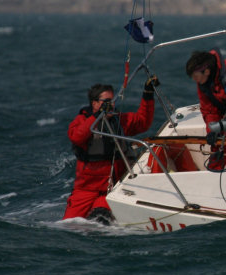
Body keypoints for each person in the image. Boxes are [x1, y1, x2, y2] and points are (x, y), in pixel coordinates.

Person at [63, 79, 157, 222]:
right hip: (86, 189)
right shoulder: (83, 120)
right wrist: (97, 117)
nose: (111, 104)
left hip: (112, 187)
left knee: (100, 220)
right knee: (69, 224)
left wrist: (148, 95)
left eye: (112, 101)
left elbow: (143, 122)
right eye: (106, 101)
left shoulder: (119, 120)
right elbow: (76, 136)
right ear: (95, 103)